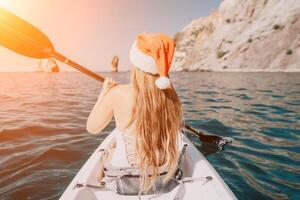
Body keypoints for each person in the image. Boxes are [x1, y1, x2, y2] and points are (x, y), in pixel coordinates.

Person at [87, 33, 182, 193]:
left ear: (136, 63)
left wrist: (104, 94)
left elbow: (92, 128)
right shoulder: (171, 95)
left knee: (109, 151)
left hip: (124, 180)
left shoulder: (118, 93)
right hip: (163, 177)